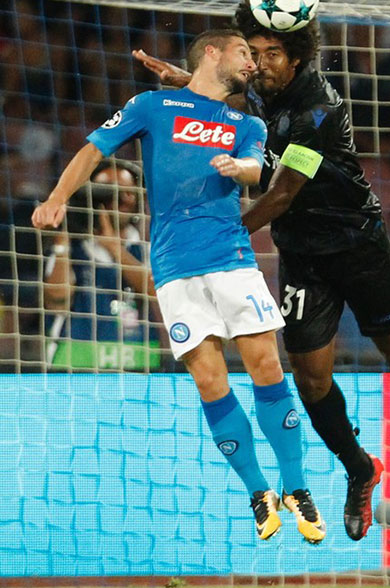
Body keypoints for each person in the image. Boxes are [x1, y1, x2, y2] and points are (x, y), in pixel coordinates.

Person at [131, 1, 390, 543]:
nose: (261, 63)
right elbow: (233, 104)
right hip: (302, 255)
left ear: (295, 61)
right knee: (310, 376)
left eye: (273, 54)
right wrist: (191, 84)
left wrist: (215, 235)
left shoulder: (317, 107)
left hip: (355, 242)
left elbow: (282, 194)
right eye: (256, 52)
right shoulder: (255, 95)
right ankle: (359, 468)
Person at [32, 29, 325, 544]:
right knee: (211, 384)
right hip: (172, 267)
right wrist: (58, 195)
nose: (252, 64)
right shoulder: (151, 105)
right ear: (212, 52)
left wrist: (241, 167)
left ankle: (297, 487)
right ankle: (260, 492)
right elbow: (93, 149)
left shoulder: (245, 121)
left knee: (266, 366)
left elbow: (257, 167)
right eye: (243, 53)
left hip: (231, 257)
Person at [43, 159, 160, 370]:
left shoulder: (147, 249)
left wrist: (114, 248)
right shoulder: (72, 248)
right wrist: (62, 243)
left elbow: (156, 290)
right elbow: (57, 301)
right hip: (76, 368)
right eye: (108, 193)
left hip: (137, 367)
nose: (120, 201)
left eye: (128, 193)